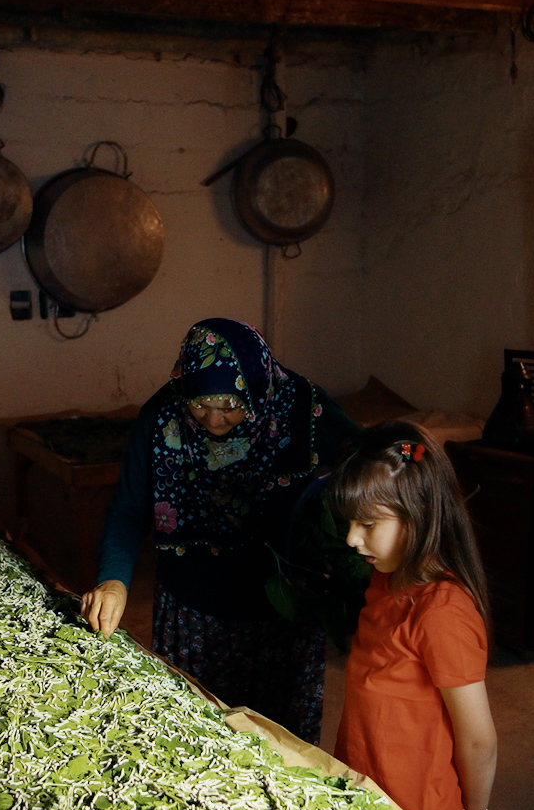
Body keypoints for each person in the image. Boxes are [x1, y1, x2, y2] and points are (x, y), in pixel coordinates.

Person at [80, 318, 359, 743]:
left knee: (281, 743)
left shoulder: (303, 407)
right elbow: (128, 508)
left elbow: (370, 465)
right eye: (200, 405)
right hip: (194, 610)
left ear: (256, 384)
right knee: (201, 738)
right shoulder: (160, 419)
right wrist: (114, 580)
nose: (213, 421)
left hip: (282, 613)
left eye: (229, 405)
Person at [323, 422, 499, 810]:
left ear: (419, 516)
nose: (351, 538)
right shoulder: (386, 581)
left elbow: (478, 739)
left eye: (367, 523)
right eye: (350, 523)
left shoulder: (443, 612)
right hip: (369, 798)